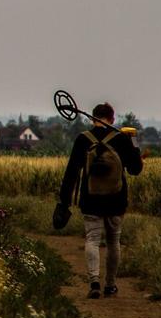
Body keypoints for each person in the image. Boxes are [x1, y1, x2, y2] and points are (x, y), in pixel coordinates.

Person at [53, 102, 143, 299]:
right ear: (112, 119)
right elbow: (136, 169)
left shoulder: (83, 139)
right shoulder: (122, 139)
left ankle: (94, 282)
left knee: (92, 239)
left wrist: (64, 201)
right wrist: (134, 141)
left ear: (92, 118)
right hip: (116, 200)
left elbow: (72, 173)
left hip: (90, 199)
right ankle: (110, 285)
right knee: (113, 241)